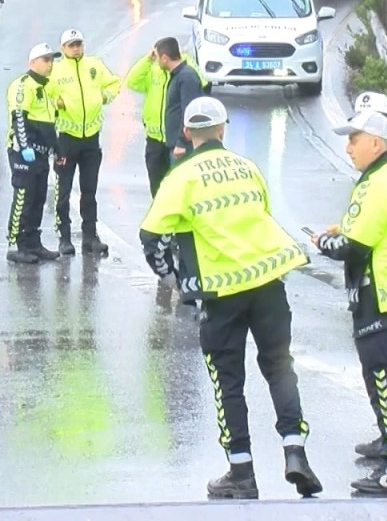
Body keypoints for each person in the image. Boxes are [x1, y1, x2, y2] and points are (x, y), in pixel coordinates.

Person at [140, 96, 322, 501]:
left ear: (187, 133)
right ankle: (296, 451)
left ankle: (241, 471)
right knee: (279, 368)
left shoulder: (181, 177)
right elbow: (263, 215)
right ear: (223, 130)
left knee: (229, 382)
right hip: (269, 283)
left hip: (221, 292)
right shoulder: (247, 168)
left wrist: (171, 278)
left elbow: (151, 235)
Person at [310, 110, 387, 493]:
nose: (348, 147)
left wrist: (323, 242)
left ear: (376, 143)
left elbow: (354, 246)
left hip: (381, 298)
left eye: (354, 139)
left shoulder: (376, 184)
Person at [50, 28, 121, 255]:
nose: (76, 48)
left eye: (78, 44)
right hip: (67, 139)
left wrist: (104, 97)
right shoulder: (56, 69)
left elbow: (113, 83)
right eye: (71, 45)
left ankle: (90, 237)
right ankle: (64, 237)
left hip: (91, 138)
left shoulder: (94, 65)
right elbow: (44, 93)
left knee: (89, 191)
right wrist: (56, 102)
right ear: (63, 48)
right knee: (63, 191)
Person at [127, 45, 212, 196]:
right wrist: (147, 59)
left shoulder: (184, 70)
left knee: (178, 188)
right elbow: (131, 81)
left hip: (175, 140)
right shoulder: (152, 70)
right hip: (155, 139)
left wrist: (183, 57)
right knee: (157, 187)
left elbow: (203, 84)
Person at [6, 43, 62, 264]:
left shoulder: (46, 87)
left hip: (41, 154)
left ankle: (33, 242)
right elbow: (19, 117)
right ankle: (19, 244)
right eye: (45, 60)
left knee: (39, 197)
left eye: (51, 60)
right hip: (23, 153)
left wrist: (56, 149)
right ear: (33, 63)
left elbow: (49, 124)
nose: (50, 64)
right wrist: (25, 145)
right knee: (24, 197)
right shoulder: (23, 85)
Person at [155, 37, 206, 166]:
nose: (156, 61)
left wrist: (181, 143)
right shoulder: (178, 75)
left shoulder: (186, 77)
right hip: (178, 146)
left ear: (165, 58)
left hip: (184, 148)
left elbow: (189, 111)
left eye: (157, 57)